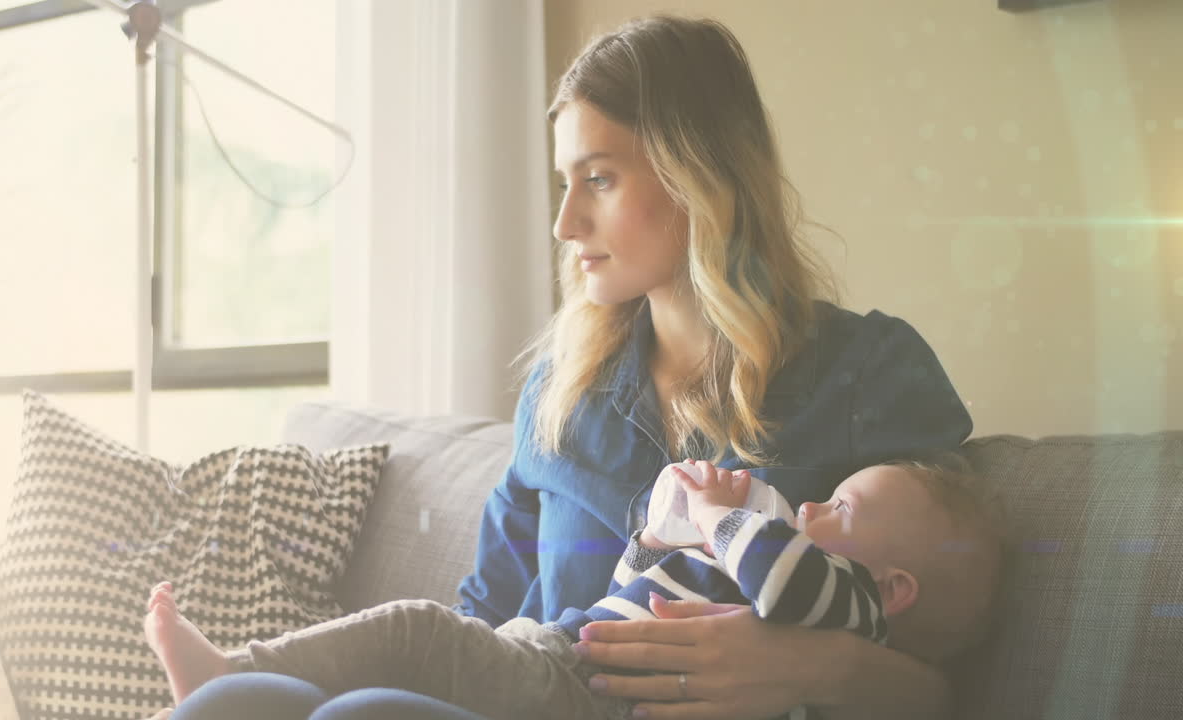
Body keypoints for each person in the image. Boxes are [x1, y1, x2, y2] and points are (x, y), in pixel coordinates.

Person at [168, 14, 977, 720]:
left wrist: (812, 666)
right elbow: (479, 621)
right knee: (242, 702)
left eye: (599, 178)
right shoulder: (562, 392)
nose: (564, 222)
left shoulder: (869, 375)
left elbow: (957, 685)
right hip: (539, 696)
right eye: (564, 182)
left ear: (700, 174)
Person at [146, 457, 1002, 720]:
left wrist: (713, 512)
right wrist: (660, 533)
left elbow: (777, 579)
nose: (812, 502)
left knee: (375, 686)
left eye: (842, 504)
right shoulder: (562, 387)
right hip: (552, 653)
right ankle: (227, 676)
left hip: (578, 692)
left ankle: (230, 666)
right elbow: (624, 589)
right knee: (251, 706)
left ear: (895, 589)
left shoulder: (847, 603)